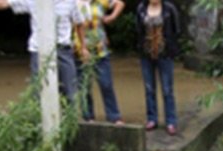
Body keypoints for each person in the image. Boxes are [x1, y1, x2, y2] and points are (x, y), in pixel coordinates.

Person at [0, 0, 82, 105]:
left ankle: (69, 126)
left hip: (63, 49)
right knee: (39, 92)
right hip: (39, 50)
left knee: (70, 93)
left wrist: (83, 47)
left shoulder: (69, 2)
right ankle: (40, 128)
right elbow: (5, 3)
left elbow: (79, 22)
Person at [73, 0, 125, 124]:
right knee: (85, 86)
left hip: (100, 49)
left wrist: (111, 17)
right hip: (81, 51)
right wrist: (82, 48)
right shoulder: (73, 3)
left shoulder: (101, 1)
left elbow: (120, 4)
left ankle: (114, 116)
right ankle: (88, 116)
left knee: (106, 84)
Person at [134, 0, 180, 135]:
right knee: (149, 88)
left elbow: (176, 30)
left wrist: (172, 49)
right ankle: (152, 119)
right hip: (146, 54)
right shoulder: (141, 9)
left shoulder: (169, 9)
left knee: (167, 89)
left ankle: (171, 121)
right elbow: (138, 30)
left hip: (165, 54)